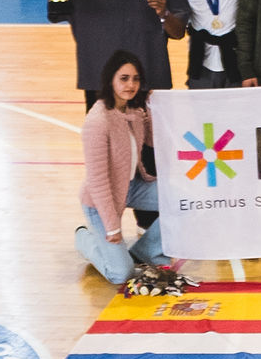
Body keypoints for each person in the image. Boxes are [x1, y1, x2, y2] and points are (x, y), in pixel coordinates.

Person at [76, 48, 185, 293]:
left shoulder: (133, 111)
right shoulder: (97, 121)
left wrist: (153, 108)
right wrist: (112, 226)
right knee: (120, 274)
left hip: (131, 187)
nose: (131, 85)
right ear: (110, 80)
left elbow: (153, 142)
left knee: (183, 200)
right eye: (124, 78)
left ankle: (147, 250)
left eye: (135, 79)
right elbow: (98, 181)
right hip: (100, 201)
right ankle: (84, 239)